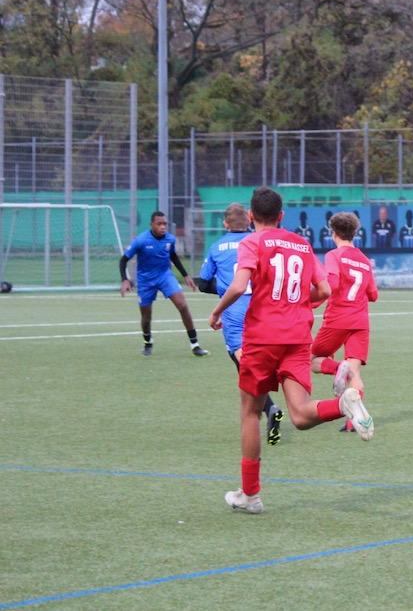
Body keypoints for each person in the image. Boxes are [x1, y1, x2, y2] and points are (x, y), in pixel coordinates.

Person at [209, 186, 369, 515]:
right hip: (297, 338)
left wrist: (216, 312)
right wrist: (296, 303)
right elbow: (323, 289)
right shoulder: (301, 243)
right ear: (282, 216)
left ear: (251, 216)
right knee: (299, 413)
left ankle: (250, 495)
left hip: (262, 338)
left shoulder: (251, 242)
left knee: (250, 413)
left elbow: (239, 286)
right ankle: (343, 403)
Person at [196, 203, 284, 445]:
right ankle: (269, 407)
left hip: (234, 311)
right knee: (255, 359)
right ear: (249, 221)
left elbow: (203, 284)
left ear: (225, 224)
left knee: (245, 363)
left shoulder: (216, 247)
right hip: (261, 308)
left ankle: (267, 409)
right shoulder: (259, 240)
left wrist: (223, 289)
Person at [310, 212, 378, 440]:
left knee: (312, 360)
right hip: (360, 322)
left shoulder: (333, 255)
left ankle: (338, 367)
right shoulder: (365, 260)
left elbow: (333, 283)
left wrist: (310, 302)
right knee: (354, 372)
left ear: (334, 233)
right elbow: (373, 294)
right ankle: (353, 421)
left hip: (338, 319)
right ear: (355, 233)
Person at [119, 210, 209, 357]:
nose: (162, 227)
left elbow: (173, 256)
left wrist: (185, 275)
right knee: (146, 316)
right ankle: (147, 342)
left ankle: (195, 344)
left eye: (164, 224)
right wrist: (125, 280)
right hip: (145, 280)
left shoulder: (170, 239)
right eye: (159, 224)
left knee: (182, 305)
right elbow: (123, 260)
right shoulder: (141, 240)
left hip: (165, 276)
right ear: (151, 224)